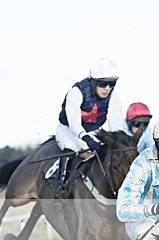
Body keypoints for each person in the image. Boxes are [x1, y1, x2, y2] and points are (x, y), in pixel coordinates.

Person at [53, 58, 125, 196]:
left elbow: (116, 120)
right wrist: (85, 138)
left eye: (112, 84)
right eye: (104, 84)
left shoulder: (113, 96)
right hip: (68, 130)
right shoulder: (77, 91)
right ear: (94, 82)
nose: (108, 89)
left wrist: (117, 140)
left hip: (93, 131)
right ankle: (61, 186)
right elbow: (73, 122)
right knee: (70, 149)